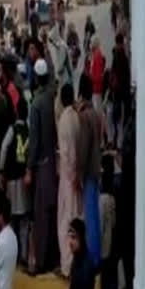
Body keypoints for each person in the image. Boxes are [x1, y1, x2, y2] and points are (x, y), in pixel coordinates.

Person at [27, 58, 59, 275]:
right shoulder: (52, 97)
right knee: (52, 212)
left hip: (42, 165)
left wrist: (29, 167)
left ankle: (42, 262)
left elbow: (34, 139)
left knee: (41, 215)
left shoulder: (37, 103)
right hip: (53, 161)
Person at [0, 98, 30, 265]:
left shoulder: (12, 129)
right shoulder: (28, 130)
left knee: (13, 219)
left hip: (11, 178)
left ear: (17, 112)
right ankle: (23, 254)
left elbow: (4, 148)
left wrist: (1, 170)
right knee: (24, 219)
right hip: (24, 179)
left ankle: (14, 254)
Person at [76, 75, 102, 268]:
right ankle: (96, 254)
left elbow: (83, 148)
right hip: (96, 168)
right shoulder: (95, 114)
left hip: (89, 172)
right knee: (94, 213)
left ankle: (93, 258)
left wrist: (79, 172)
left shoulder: (84, 116)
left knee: (90, 214)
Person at [57, 83, 82, 277]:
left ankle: (67, 265)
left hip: (68, 176)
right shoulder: (75, 117)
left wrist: (71, 175)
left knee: (65, 219)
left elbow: (66, 153)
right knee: (75, 215)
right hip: (75, 176)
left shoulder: (64, 120)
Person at [65, 218, 95, 289]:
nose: (70, 242)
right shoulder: (77, 259)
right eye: (70, 237)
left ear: (81, 238)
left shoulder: (86, 265)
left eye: (74, 237)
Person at [100, 157, 117, 289]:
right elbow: (113, 223)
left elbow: (100, 227)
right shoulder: (112, 197)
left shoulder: (102, 200)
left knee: (104, 284)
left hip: (104, 248)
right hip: (112, 246)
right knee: (110, 282)